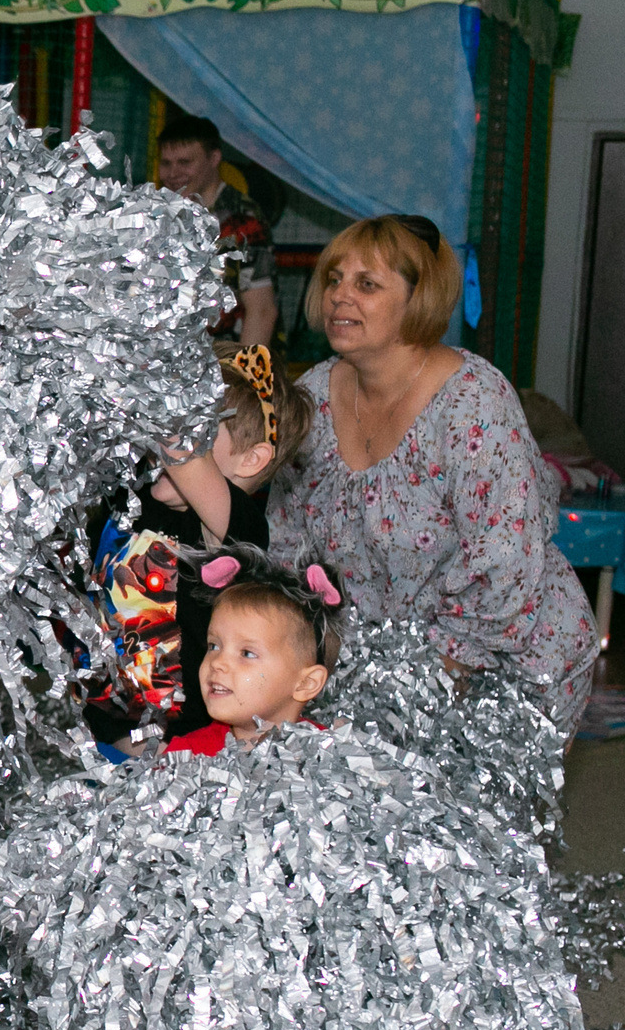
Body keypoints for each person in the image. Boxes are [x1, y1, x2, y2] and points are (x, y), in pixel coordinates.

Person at [268, 216, 599, 729]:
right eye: (334, 279)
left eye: (366, 284)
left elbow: (504, 565)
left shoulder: (473, 401)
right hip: (378, 675)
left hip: (507, 663)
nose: (339, 296)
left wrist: (420, 683)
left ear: (417, 299)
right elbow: (287, 539)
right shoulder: (313, 395)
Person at [82, 347, 306, 749]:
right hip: (104, 723)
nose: (161, 438)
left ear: (251, 460)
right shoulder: (136, 499)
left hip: (185, 745)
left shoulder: (233, 529)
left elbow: (182, 455)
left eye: (198, 427)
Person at [164, 548, 343, 755]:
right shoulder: (184, 757)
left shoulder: (331, 757)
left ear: (306, 683)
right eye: (214, 646)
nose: (217, 662)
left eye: (247, 653)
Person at [156, 114, 277, 348]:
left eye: (185, 162)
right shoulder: (165, 214)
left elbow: (261, 310)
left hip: (223, 358)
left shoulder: (241, 219)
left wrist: (240, 376)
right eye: (166, 163)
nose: (173, 174)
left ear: (214, 159)